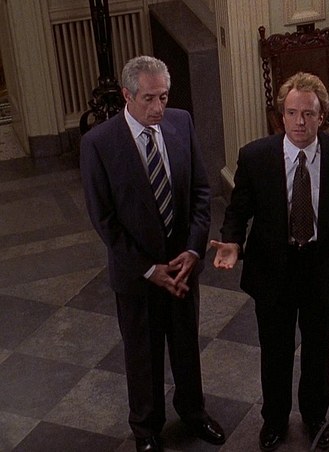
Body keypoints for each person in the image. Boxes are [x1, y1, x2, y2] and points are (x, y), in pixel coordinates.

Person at [210, 71, 329, 450]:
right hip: (273, 270)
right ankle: (275, 421)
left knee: (318, 351)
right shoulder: (255, 156)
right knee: (275, 352)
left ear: (321, 116)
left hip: (320, 267)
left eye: (308, 114)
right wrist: (232, 243)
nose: (300, 122)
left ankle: (315, 417)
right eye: (292, 113)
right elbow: (239, 210)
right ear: (281, 116)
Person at [80, 55, 225, 452]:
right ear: (127, 95)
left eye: (163, 96)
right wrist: (148, 269)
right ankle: (146, 429)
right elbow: (104, 219)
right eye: (149, 98)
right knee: (143, 355)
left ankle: (193, 412)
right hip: (137, 275)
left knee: (186, 346)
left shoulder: (181, 122)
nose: (159, 107)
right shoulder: (99, 144)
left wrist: (193, 250)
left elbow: (200, 193)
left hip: (182, 268)